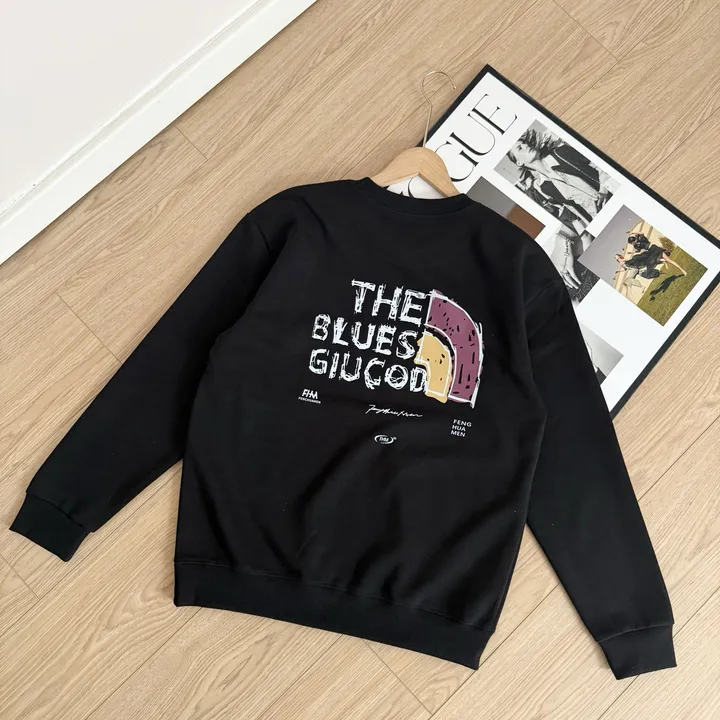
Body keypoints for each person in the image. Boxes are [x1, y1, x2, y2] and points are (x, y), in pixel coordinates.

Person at [507, 128, 614, 221]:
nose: (525, 145)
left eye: (524, 143)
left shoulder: (562, 152)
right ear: (519, 163)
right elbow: (574, 208)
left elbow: (600, 162)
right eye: (520, 148)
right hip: (600, 216)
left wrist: (604, 189)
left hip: (613, 195)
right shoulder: (545, 187)